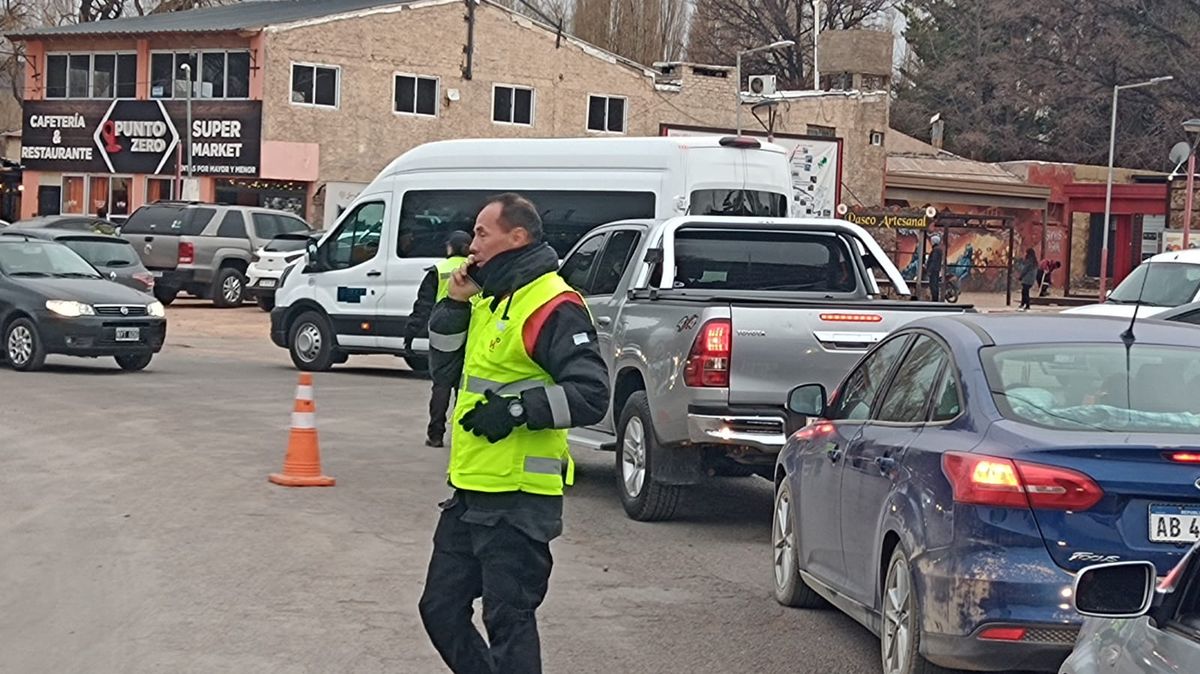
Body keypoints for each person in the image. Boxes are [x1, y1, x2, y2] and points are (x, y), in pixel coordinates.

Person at [418, 193, 610, 674]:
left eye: (482, 232)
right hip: (472, 490)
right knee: (439, 609)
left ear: (517, 237)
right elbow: (443, 369)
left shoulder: (552, 302)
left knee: (509, 621)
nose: (472, 243)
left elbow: (591, 393)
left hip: (520, 498)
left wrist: (516, 408)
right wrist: (454, 306)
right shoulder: (488, 298)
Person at [406, 230, 473, 447]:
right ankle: (465, 435)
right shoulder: (478, 269)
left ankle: (436, 434)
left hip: (444, 331)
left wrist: (410, 335)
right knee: (465, 386)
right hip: (473, 329)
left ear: (449, 247)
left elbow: (423, 306)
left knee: (442, 383)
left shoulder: (438, 270)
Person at [925, 234, 945, 302]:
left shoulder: (935, 250)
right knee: (935, 284)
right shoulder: (938, 249)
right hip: (936, 270)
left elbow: (933, 261)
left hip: (934, 270)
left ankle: (935, 299)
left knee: (933, 285)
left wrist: (929, 270)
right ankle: (935, 298)